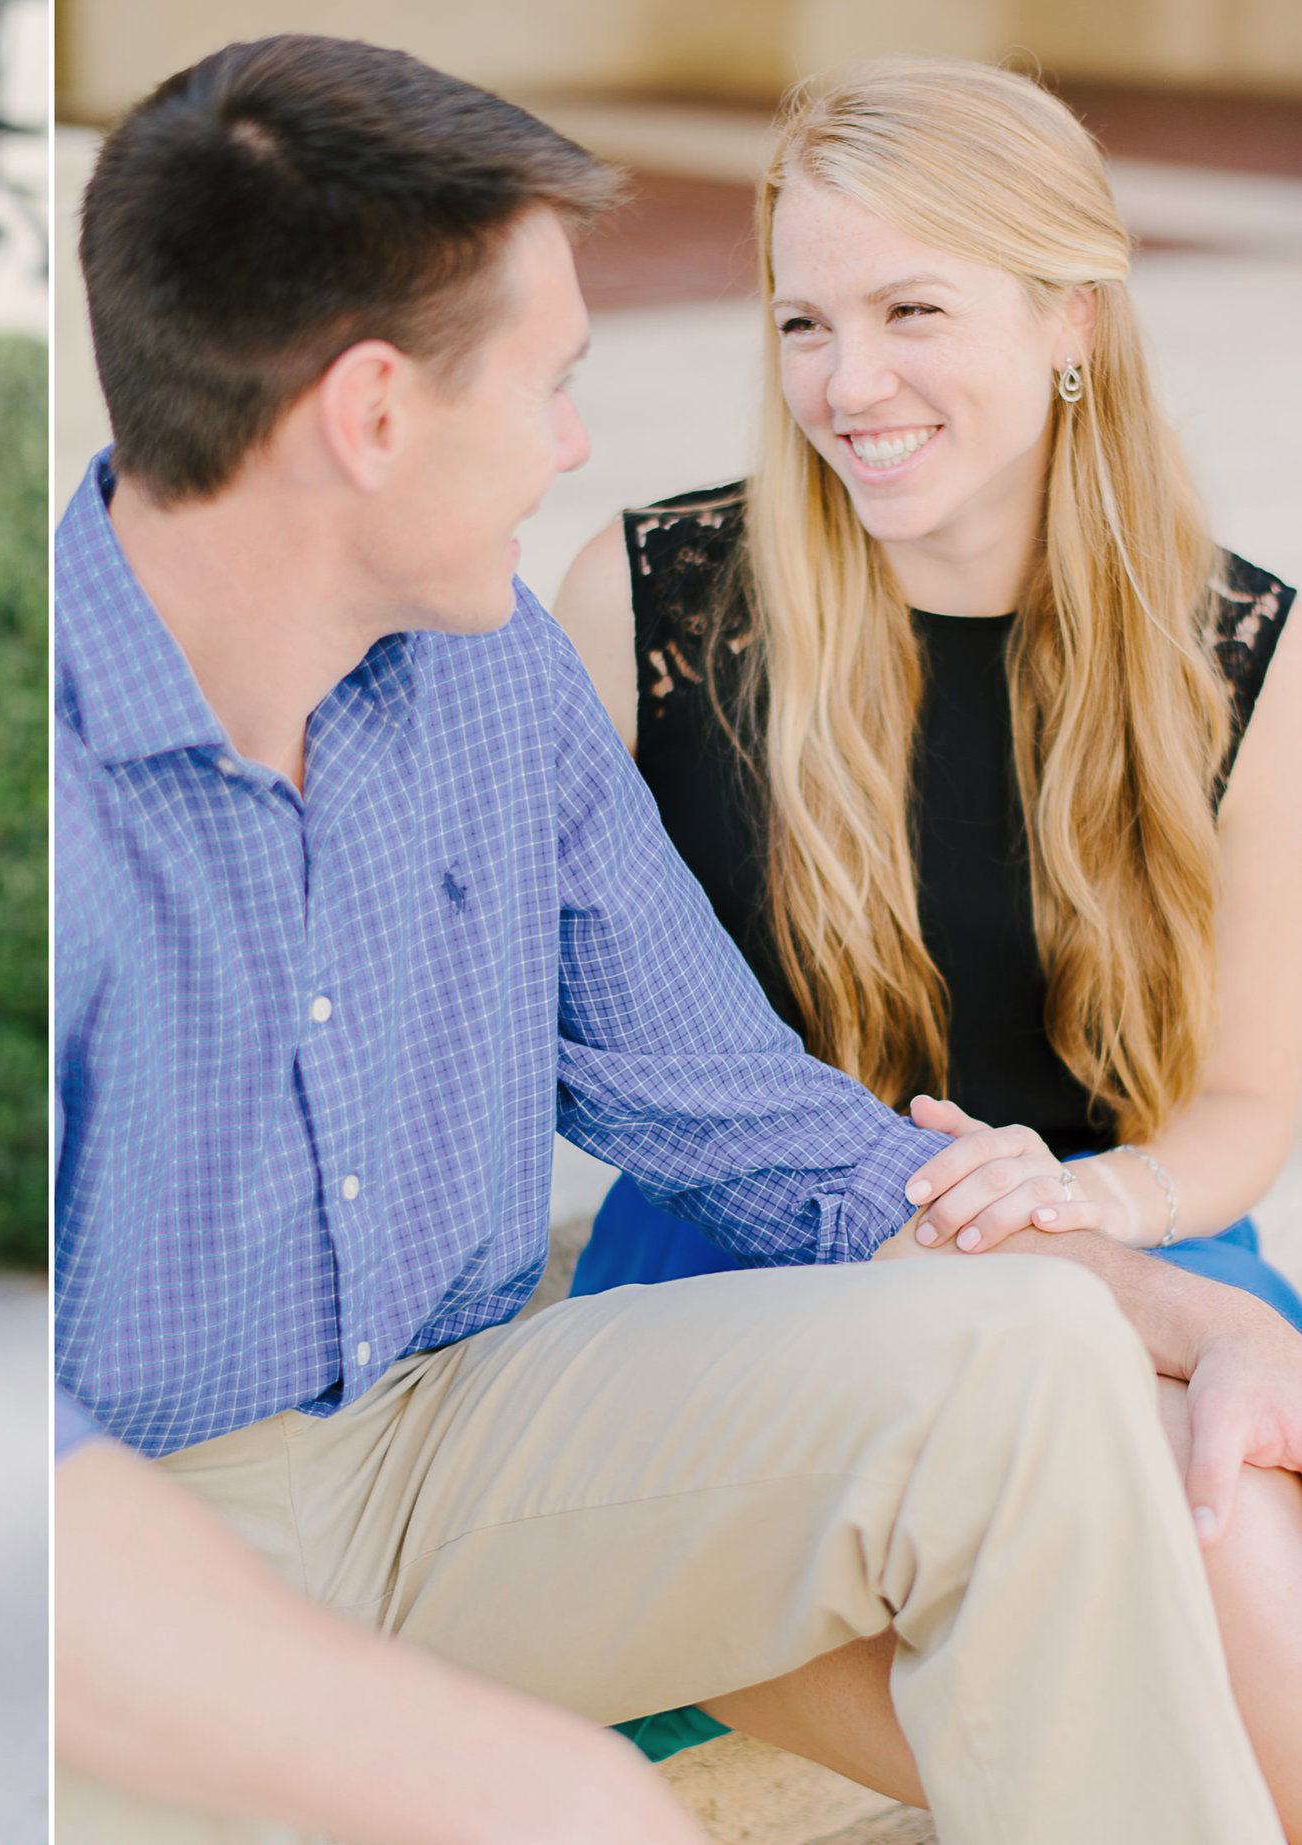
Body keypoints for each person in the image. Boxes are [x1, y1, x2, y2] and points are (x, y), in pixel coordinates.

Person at [54, 34, 1301, 1844]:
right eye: (550, 384)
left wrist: (1179, 1310)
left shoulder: (490, 688)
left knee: (1039, 1357)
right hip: (135, 1526)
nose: (580, 441)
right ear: (376, 415)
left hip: (452, 1436)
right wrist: (518, 1778)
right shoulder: (49, 771)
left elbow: (750, 1108)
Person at [550, 60, 1302, 1818]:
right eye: (803, 320)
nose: (845, 383)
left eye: (910, 310)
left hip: (1115, 1231)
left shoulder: (1244, 653)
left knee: (1230, 1502)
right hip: (746, 1268)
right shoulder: (647, 606)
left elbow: (1250, 1095)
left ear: (1074, 324)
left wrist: (1092, 1204)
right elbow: (552, 1030)